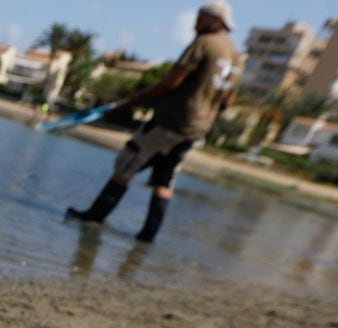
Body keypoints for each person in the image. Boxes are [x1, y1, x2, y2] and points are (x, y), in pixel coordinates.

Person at [65, 2, 241, 242]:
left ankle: (95, 216)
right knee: (165, 176)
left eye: (200, 18)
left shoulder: (204, 44)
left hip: (172, 122)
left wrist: (134, 99)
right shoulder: (236, 56)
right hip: (196, 130)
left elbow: (172, 81)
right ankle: (148, 236)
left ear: (216, 20)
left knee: (127, 163)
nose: (195, 23)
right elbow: (228, 101)